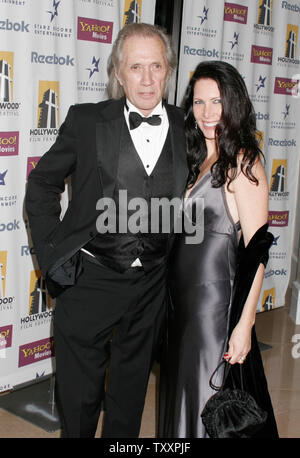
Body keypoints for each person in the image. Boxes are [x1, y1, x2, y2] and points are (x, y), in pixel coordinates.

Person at [25, 23, 188, 438]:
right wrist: (51, 254)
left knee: (129, 400)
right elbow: (42, 183)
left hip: (151, 284)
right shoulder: (85, 121)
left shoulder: (187, 127)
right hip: (90, 279)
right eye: (136, 67)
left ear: (169, 70)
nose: (147, 79)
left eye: (156, 66)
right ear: (119, 73)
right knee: (79, 400)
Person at [158, 61, 279, 438]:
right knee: (177, 398)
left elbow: (258, 251)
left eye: (217, 101)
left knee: (209, 405)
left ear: (234, 105)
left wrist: (245, 325)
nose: (207, 112)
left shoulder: (244, 162)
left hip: (214, 314)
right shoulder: (194, 161)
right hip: (180, 310)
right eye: (198, 102)